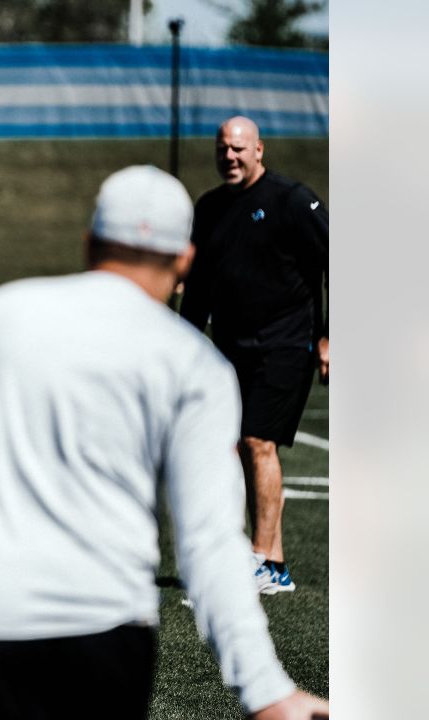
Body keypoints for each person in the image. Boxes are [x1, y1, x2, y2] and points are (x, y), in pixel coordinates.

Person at [0, 166, 328, 720]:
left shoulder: (1, 314)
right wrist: (265, 689)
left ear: (89, 243)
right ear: (184, 263)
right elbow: (210, 542)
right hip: (105, 634)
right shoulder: (196, 365)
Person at [179, 115, 329, 595]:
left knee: (258, 442)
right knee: (232, 447)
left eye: (240, 148)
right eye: (223, 148)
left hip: (286, 343)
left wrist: (330, 337)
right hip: (230, 348)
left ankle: (267, 564)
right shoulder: (209, 209)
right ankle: (264, 557)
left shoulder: (292, 201)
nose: (231, 156)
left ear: (259, 150)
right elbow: (198, 290)